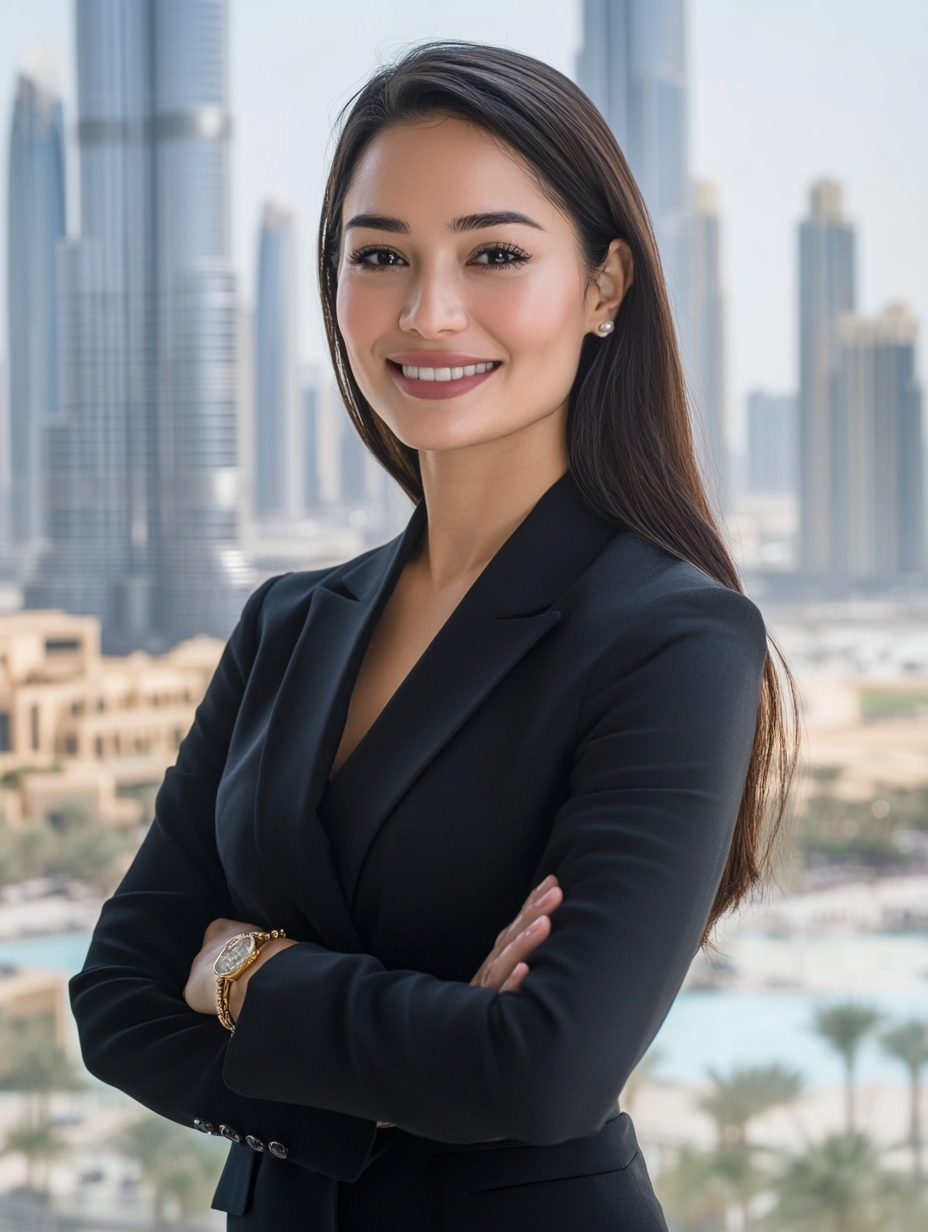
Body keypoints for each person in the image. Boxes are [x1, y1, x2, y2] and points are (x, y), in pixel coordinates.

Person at [70, 42, 795, 1232]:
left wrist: (245, 969)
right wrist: (401, 1062)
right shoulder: (289, 620)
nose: (427, 310)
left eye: (493, 253)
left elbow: (543, 1068)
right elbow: (114, 1002)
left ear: (605, 287)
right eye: (381, 256)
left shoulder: (674, 637)